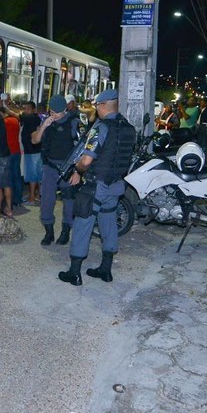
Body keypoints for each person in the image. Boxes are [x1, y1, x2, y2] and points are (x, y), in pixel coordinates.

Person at [57, 90, 136, 286]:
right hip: (117, 185)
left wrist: (78, 169)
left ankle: (74, 272)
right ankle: (105, 270)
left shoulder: (100, 128)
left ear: (102, 105)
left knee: (83, 223)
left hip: (97, 184)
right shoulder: (129, 128)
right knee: (108, 222)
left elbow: (86, 160)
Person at [32, 94, 79, 246]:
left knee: (69, 200)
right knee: (46, 200)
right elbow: (34, 140)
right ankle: (49, 232)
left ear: (65, 109)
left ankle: (65, 231)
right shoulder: (47, 121)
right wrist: (44, 126)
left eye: (56, 113)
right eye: (51, 112)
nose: (54, 115)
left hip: (68, 167)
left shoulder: (74, 123)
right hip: (50, 167)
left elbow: (82, 149)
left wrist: (78, 171)